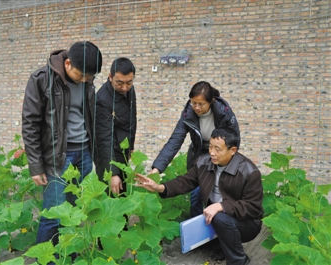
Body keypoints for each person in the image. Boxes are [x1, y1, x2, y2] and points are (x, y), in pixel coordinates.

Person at [135, 127, 263, 265]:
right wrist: (159, 187)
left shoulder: (249, 172)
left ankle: (239, 260)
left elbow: (253, 208)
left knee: (219, 216)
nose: (212, 153)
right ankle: (224, 247)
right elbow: (185, 182)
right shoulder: (203, 162)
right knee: (214, 218)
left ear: (232, 150)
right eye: (211, 147)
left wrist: (221, 206)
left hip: (248, 224)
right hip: (218, 218)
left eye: (218, 149)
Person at [21, 41, 102, 253]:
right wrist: (36, 166)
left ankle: (69, 254)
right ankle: (44, 257)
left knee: (73, 212)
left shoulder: (88, 80)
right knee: (54, 213)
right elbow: (30, 124)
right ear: (67, 63)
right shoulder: (41, 79)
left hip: (84, 154)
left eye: (89, 77)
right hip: (58, 157)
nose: (85, 80)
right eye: (81, 75)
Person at [151, 81, 240, 219]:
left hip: (221, 155)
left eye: (201, 104)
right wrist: (157, 168)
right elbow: (175, 141)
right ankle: (197, 231)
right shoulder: (188, 114)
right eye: (193, 103)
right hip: (200, 156)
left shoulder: (224, 113)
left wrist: (224, 160)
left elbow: (235, 139)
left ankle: (221, 227)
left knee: (220, 193)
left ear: (211, 101)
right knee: (196, 193)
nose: (196, 107)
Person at [95, 57, 136, 195]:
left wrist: (131, 145)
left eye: (129, 82)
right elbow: (104, 138)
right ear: (110, 77)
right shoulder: (102, 99)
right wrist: (112, 173)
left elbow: (132, 118)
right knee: (111, 197)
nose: (125, 87)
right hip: (108, 155)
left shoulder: (130, 90)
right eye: (120, 83)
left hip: (123, 149)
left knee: (123, 197)